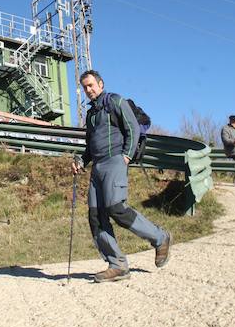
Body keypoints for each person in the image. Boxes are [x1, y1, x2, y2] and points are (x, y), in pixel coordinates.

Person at [70, 70, 171, 283]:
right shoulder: (91, 114)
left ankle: (160, 238)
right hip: (97, 166)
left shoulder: (115, 101)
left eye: (91, 85)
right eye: (85, 87)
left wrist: (126, 155)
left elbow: (132, 128)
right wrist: (81, 160)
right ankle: (117, 264)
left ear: (100, 83)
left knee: (116, 207)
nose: (88, 90)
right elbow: (90, 145)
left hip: (115, 160)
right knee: (96, 216)